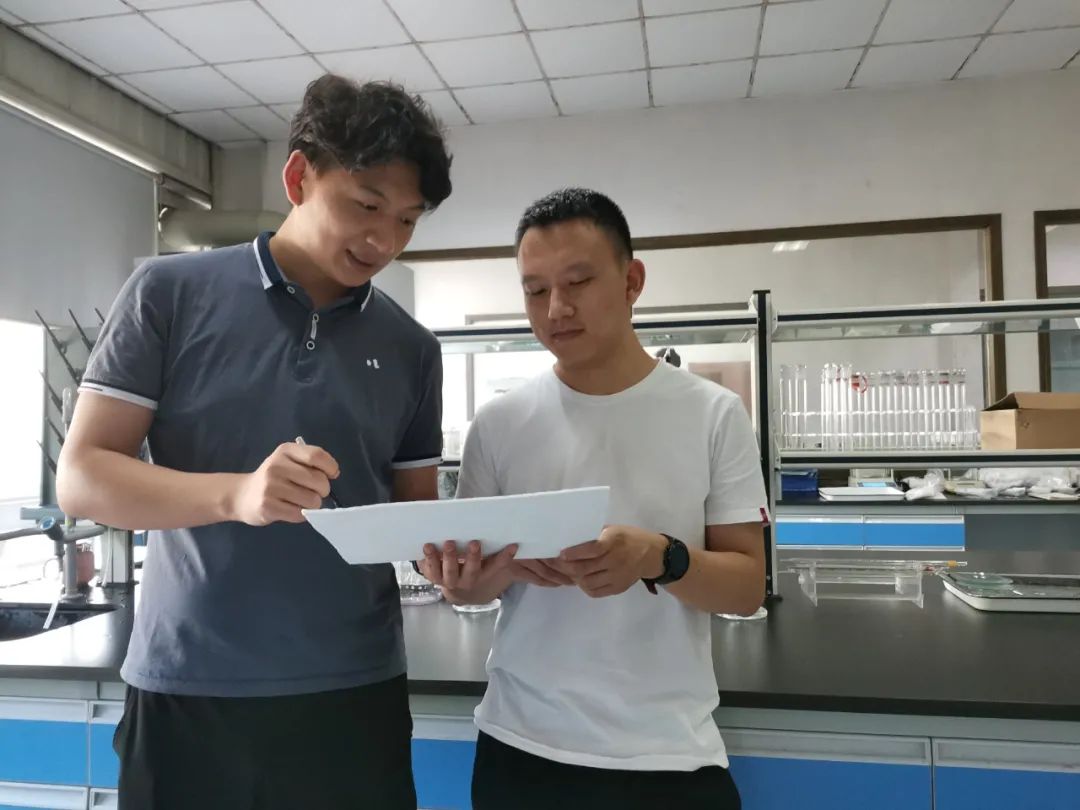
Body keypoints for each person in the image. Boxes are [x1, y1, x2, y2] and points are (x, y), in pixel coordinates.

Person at [56, 74, 452, 810]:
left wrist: (464, 558)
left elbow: (418, 520)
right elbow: (82, 478)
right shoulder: (167, 294)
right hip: (189, 687)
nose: (384, 240)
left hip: (353, 696)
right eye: (366, 206)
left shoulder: (412, 349)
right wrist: (236, 494)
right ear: (299, 177)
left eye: (407, 220)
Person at [419, 188, 767, 810]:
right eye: (535, 290)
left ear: (632, 281)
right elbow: (473, 590)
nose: (556, 308)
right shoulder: (498, 425)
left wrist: (660, 557)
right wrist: (467, 581)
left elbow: (746, 589)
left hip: (667, 752)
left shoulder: (714, 414)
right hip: (520, 749)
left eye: (578, 281)